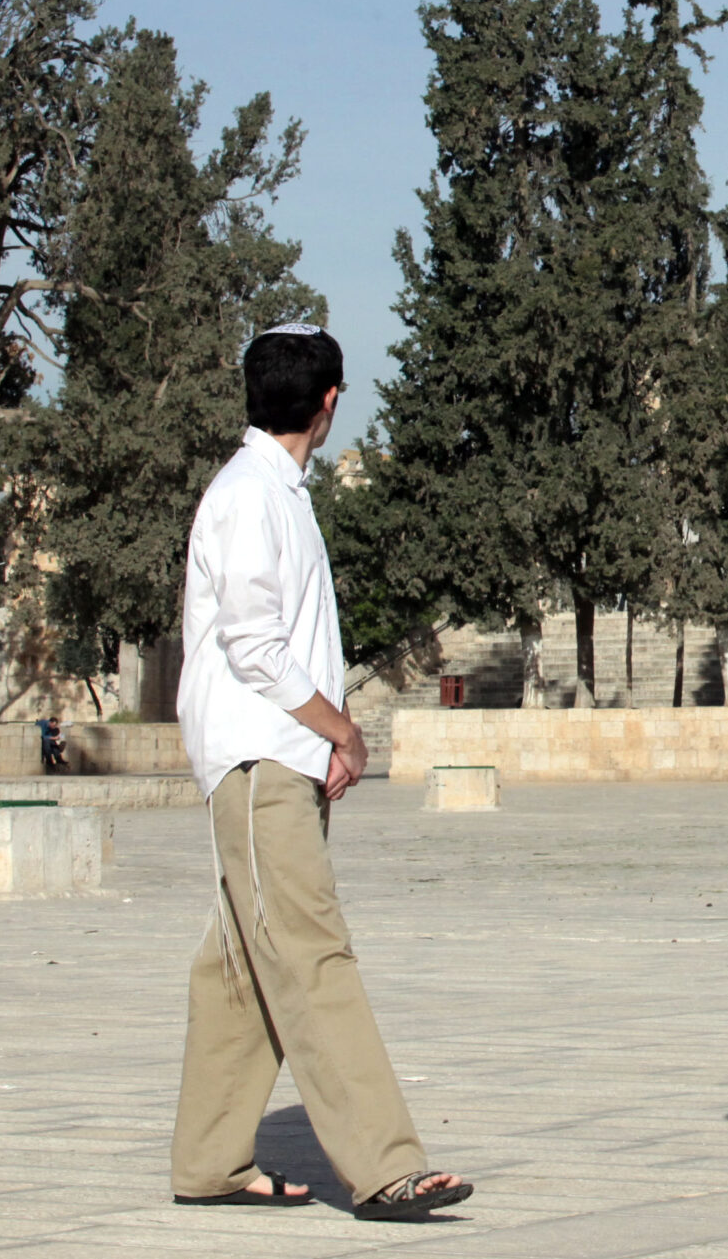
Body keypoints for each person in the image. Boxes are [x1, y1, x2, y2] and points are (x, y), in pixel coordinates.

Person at [168, 324, 472, 1222]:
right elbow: (254, 645)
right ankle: (384, 1165)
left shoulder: (277, 491)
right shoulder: (252, 493)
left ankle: (209, 1158)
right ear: (330, 400)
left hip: (275, 757)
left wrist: (316, 745)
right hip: (259, 761)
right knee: (312, 952)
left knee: (239, 965)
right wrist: (340, 730)